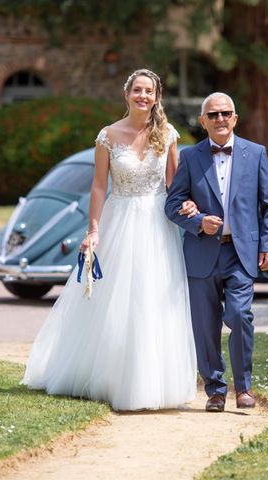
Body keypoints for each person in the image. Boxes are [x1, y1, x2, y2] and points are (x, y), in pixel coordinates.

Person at [21, 69, 197, 411]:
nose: (143, 96)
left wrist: (188, 202)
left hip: (159, 227)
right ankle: (110, 377)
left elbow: (175, 186)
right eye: (137, 90)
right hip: (121, 222)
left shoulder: (168, 134)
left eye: (149, 91)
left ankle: (153, 380)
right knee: (117, 300)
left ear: (157, 97)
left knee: (154, 298)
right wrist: (93, 229)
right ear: (127, 94)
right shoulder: (108, 136)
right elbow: (99, 186)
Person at [165, 92, 268, 412]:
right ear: (203, 121)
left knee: (240, 316)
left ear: (235, 118)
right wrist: (200, 222)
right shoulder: (189, 157)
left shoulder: (256, 154)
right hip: (201, 254)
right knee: (205, 325)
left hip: (240, 254)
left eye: (225, 113)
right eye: (213, 115)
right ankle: (215, 390)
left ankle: (243, 388)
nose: (220, 119)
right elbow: (173, 205)